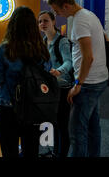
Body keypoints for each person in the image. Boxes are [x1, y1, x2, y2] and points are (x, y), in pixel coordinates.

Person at [48, 0, 108, 157]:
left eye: (57, 10)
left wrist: (78, 84)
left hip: (88, 84)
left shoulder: (81, 21)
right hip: (98, 80)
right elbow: (104, 40)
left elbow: (88, 57)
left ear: (66, 6)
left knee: (77, 132)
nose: (56, 13)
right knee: (92, 127)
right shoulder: (89, 15)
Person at [0, 6, 52, 158]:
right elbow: (47, 76)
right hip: (34, 108)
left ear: (12, 25)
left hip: (8, 107)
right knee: (31, 151)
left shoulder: (4, 49)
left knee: (9, 151)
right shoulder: (41, 49)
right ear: (33, 25)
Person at [38, 10, 74, 157]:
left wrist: (59, 71)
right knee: (48, 123)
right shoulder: (43, 42)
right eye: (40, 22)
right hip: (48, 89)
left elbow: (69, 62)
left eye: (46, 21)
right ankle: (49, 152)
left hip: (62, 88)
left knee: (62, 125)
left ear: (54, 22)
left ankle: (61, 154)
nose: (42, 24)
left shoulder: (62, 41)